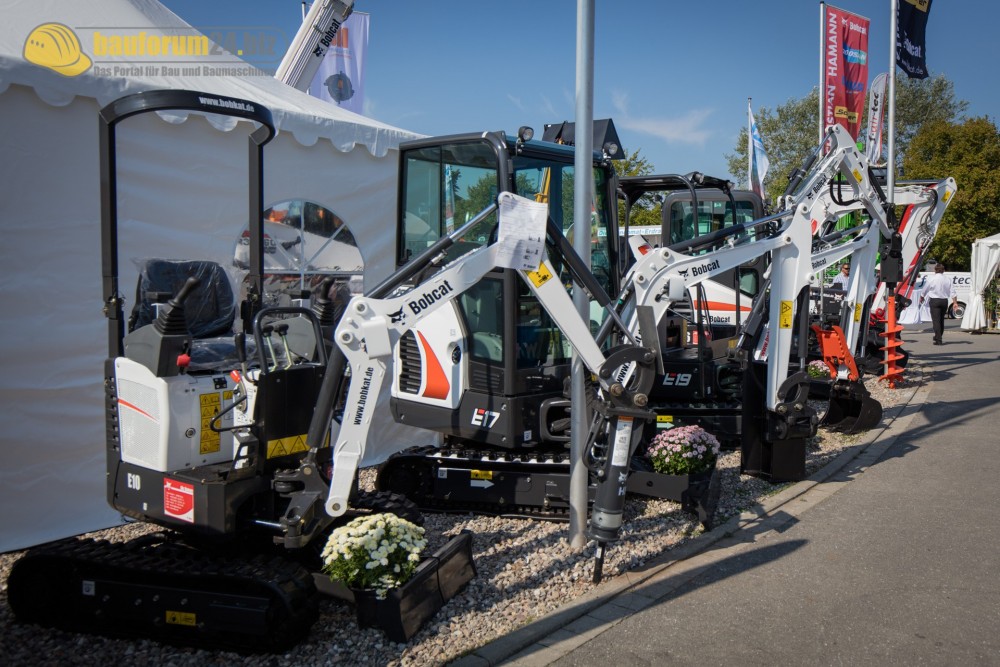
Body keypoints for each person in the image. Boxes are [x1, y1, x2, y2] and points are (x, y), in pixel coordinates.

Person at [919, 262, 958, 345]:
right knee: (941, 320)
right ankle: (938, 336)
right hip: (944, 301)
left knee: (936, 320)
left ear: (935, 270)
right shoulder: (948, 279)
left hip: (935, 301)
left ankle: (938, 339)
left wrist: (922, 297)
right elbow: (953, 292)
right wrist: (955, 302)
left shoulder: (932, 279)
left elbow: (925, 289)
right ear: (943, 270)